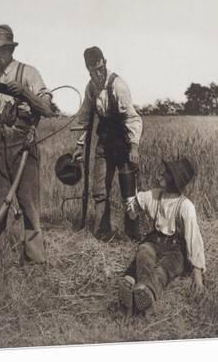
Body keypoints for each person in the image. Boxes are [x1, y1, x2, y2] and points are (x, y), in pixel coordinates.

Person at [0, 24, 54, 287]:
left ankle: (35, 266)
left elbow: (48, 109)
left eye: (0, 50)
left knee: (29, 207)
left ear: (10, 48)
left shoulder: (28, 73)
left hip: (23, 145)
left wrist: (25, 92)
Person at [118, 157, 206, 317]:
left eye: (166, 173)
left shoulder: (186, 206)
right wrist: (128, 196)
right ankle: (141, 293)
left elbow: (193, 239)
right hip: (154, 241)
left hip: (176, 250)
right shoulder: (154, 195)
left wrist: (197, 273)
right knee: (144, 253)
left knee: (164, 268)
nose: (161, 174)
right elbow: (132, 210)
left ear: (175, 180)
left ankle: (145, 291)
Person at [73, 46, 143, 240]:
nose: (97, 73)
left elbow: (133, 119)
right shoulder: (91, 88)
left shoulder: (117, 85)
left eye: (99, 68)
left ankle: (132, 235)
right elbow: (85, 119)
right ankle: (103, 234)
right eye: (92, 70)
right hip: (104, 141)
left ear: (104, 63)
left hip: (122, 141)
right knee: (99, 191)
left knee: (128, 191)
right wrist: (79, 146)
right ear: (87, 69)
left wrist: (134, 147)